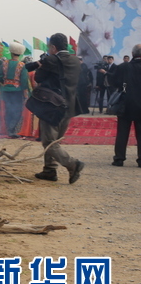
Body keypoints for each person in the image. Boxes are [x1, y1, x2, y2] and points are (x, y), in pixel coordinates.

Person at [26, 33, 84, 183]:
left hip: (53, 105)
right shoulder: (75, 60)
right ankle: (49, 170)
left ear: (53, 47)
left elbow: (38, 77)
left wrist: (42, 65)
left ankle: (73, 164)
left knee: (49, 142)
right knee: (55, 140)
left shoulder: (51, 60)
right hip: (69, 105)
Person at [108, 45, 141, 166]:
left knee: (122, 132)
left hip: (125, 104)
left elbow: (114, 82)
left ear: (132, 53)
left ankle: (119, 158)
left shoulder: (123, 67)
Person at [0, 42, 29, 138]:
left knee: (8, 109)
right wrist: (24, 91)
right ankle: (11, 130)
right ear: (20, 54)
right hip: (17, 91)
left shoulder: (4, 63)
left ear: (11, 52)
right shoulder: (22, 65)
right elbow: (24, 81)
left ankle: (8, 129)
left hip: (5, 90)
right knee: (17, 110)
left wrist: (5, 82)